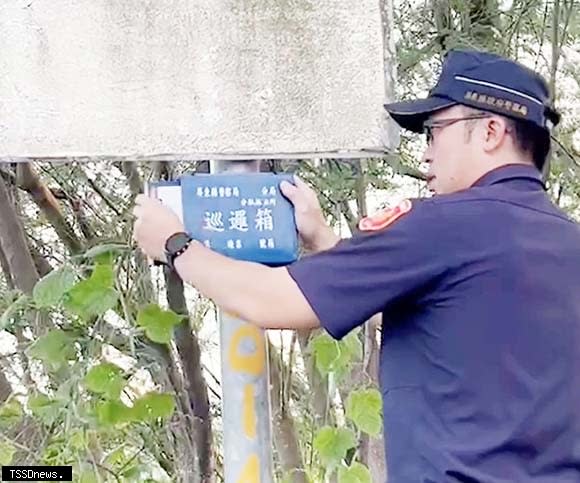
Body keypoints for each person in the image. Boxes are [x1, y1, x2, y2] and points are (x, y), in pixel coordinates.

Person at [133, 50, 580, 482]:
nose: (426, 153)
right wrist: (324, 241)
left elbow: (273, 301)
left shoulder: (442, 225)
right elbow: (448, 324)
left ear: (490, 132)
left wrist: (176, 244)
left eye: (434, 131)